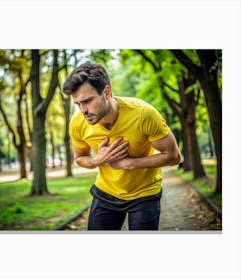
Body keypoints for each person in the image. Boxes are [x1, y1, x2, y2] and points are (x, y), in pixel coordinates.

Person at [63, 62, 181, 230]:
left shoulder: (143, 114)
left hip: (144, 193)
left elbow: (174, 156)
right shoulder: (77, 122)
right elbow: (80, 158)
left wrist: (129, 163)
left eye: (87, 101)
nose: (83, 110)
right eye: (78, 104)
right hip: (106, 192)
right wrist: (97, 160)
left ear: (106, 92)